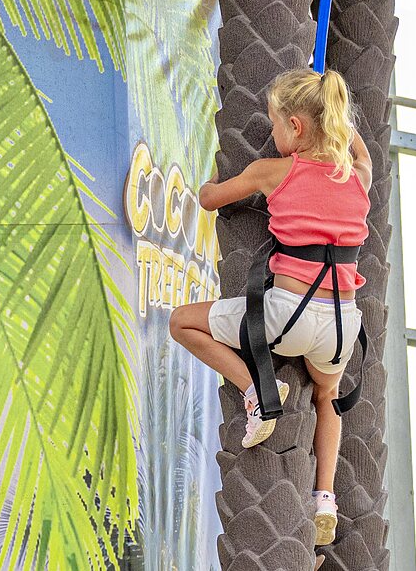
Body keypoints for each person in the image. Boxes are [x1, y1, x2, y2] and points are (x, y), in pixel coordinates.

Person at [169, 67, 372, 546]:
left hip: (286, 316)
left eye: (275, 124)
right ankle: (325, 497)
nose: (273, 132)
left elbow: (209, 199)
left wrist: (219, 171)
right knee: (327, 399)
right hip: (342, 325)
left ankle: (258, 391)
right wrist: (336, 123)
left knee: (183, 323)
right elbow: (363, 153)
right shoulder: (357, 178)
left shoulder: (271, 172)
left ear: (295, 128)